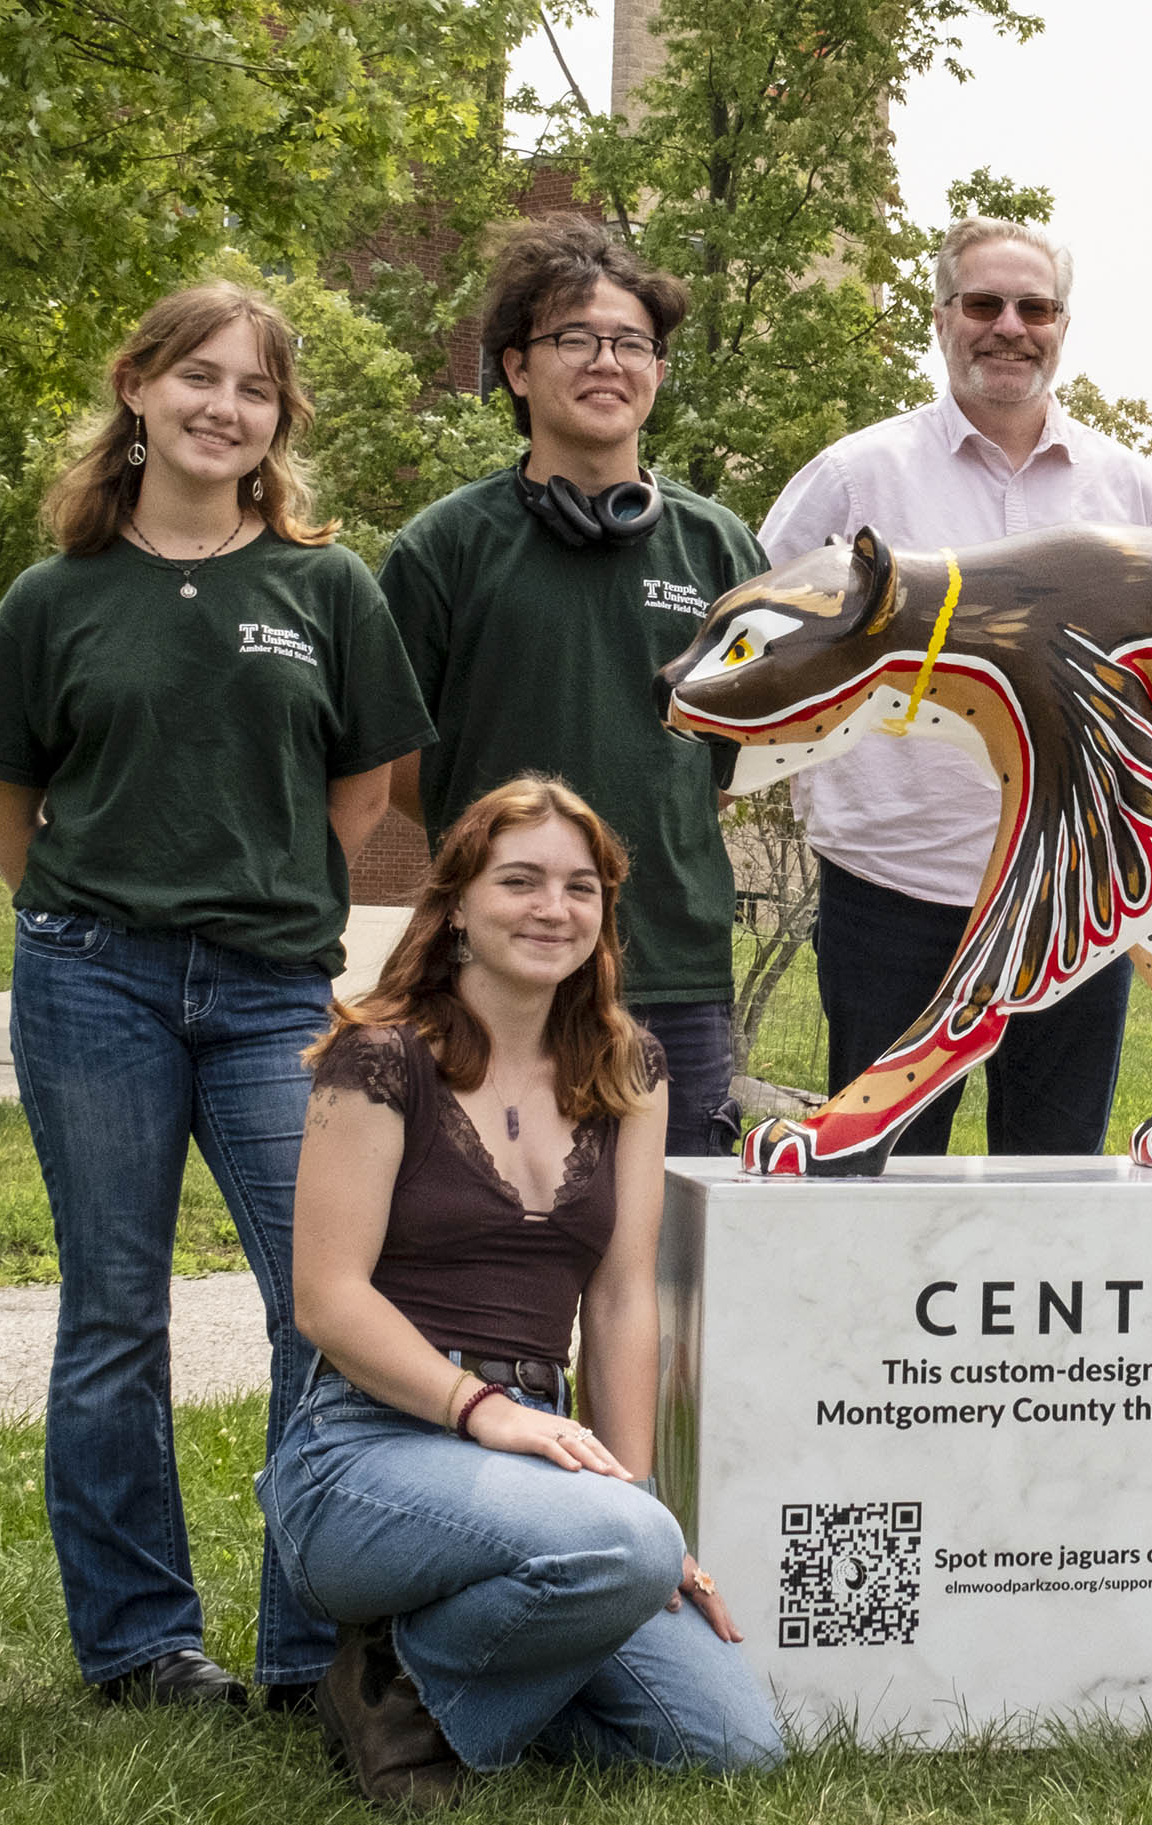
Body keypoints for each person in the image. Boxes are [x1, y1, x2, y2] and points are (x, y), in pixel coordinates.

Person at [0, 281, 436, 1709]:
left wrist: (275, 897)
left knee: (322, 1303)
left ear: (280, 420)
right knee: (113, 1311)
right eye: (200, 377)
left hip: (276, 989)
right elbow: (3, 793)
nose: (227, 406)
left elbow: (364, 780)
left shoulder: (324, 584)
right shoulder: (58, 597)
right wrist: (88, 912)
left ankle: (301, 1646)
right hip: (95, 984)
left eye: (257, 388)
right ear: (140, 389)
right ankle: (140, 1642)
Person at [260, 778, 781, 1809]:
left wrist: (633, 1508)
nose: (554, 909)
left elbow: (625, 1297)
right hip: (365, 1451)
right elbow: (325, 1298)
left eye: (581, 887)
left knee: (727, 1745)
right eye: (521, 881)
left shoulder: (627, 1066)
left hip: (541, 1455)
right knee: (624, 1550)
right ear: (456, 902)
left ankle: (430, 1663)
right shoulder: (378, 1056)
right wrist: (482, 1411)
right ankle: (406, 1691)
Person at [755, 215, 1152, 1156]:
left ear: (1063, 325)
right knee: (883, 1180)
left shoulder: (1134, 496)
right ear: (941, 317)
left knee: (1054, 1184)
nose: (1010, 326)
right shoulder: (851, 481)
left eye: (1036, 307)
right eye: (983, 303)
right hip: (892, 891)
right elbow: (765, 648)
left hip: (1075, 889)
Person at [382, 218, 767, 1157]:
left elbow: (731, 764)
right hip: (492, 973)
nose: (609, 361)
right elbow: (397, 770)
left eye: (633, 343)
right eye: (576, 339)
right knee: (498, 1256)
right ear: (516, 369)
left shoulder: (721, 549)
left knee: (678, 1275)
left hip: (674, 969)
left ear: (659, 372)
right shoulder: (444, 548)